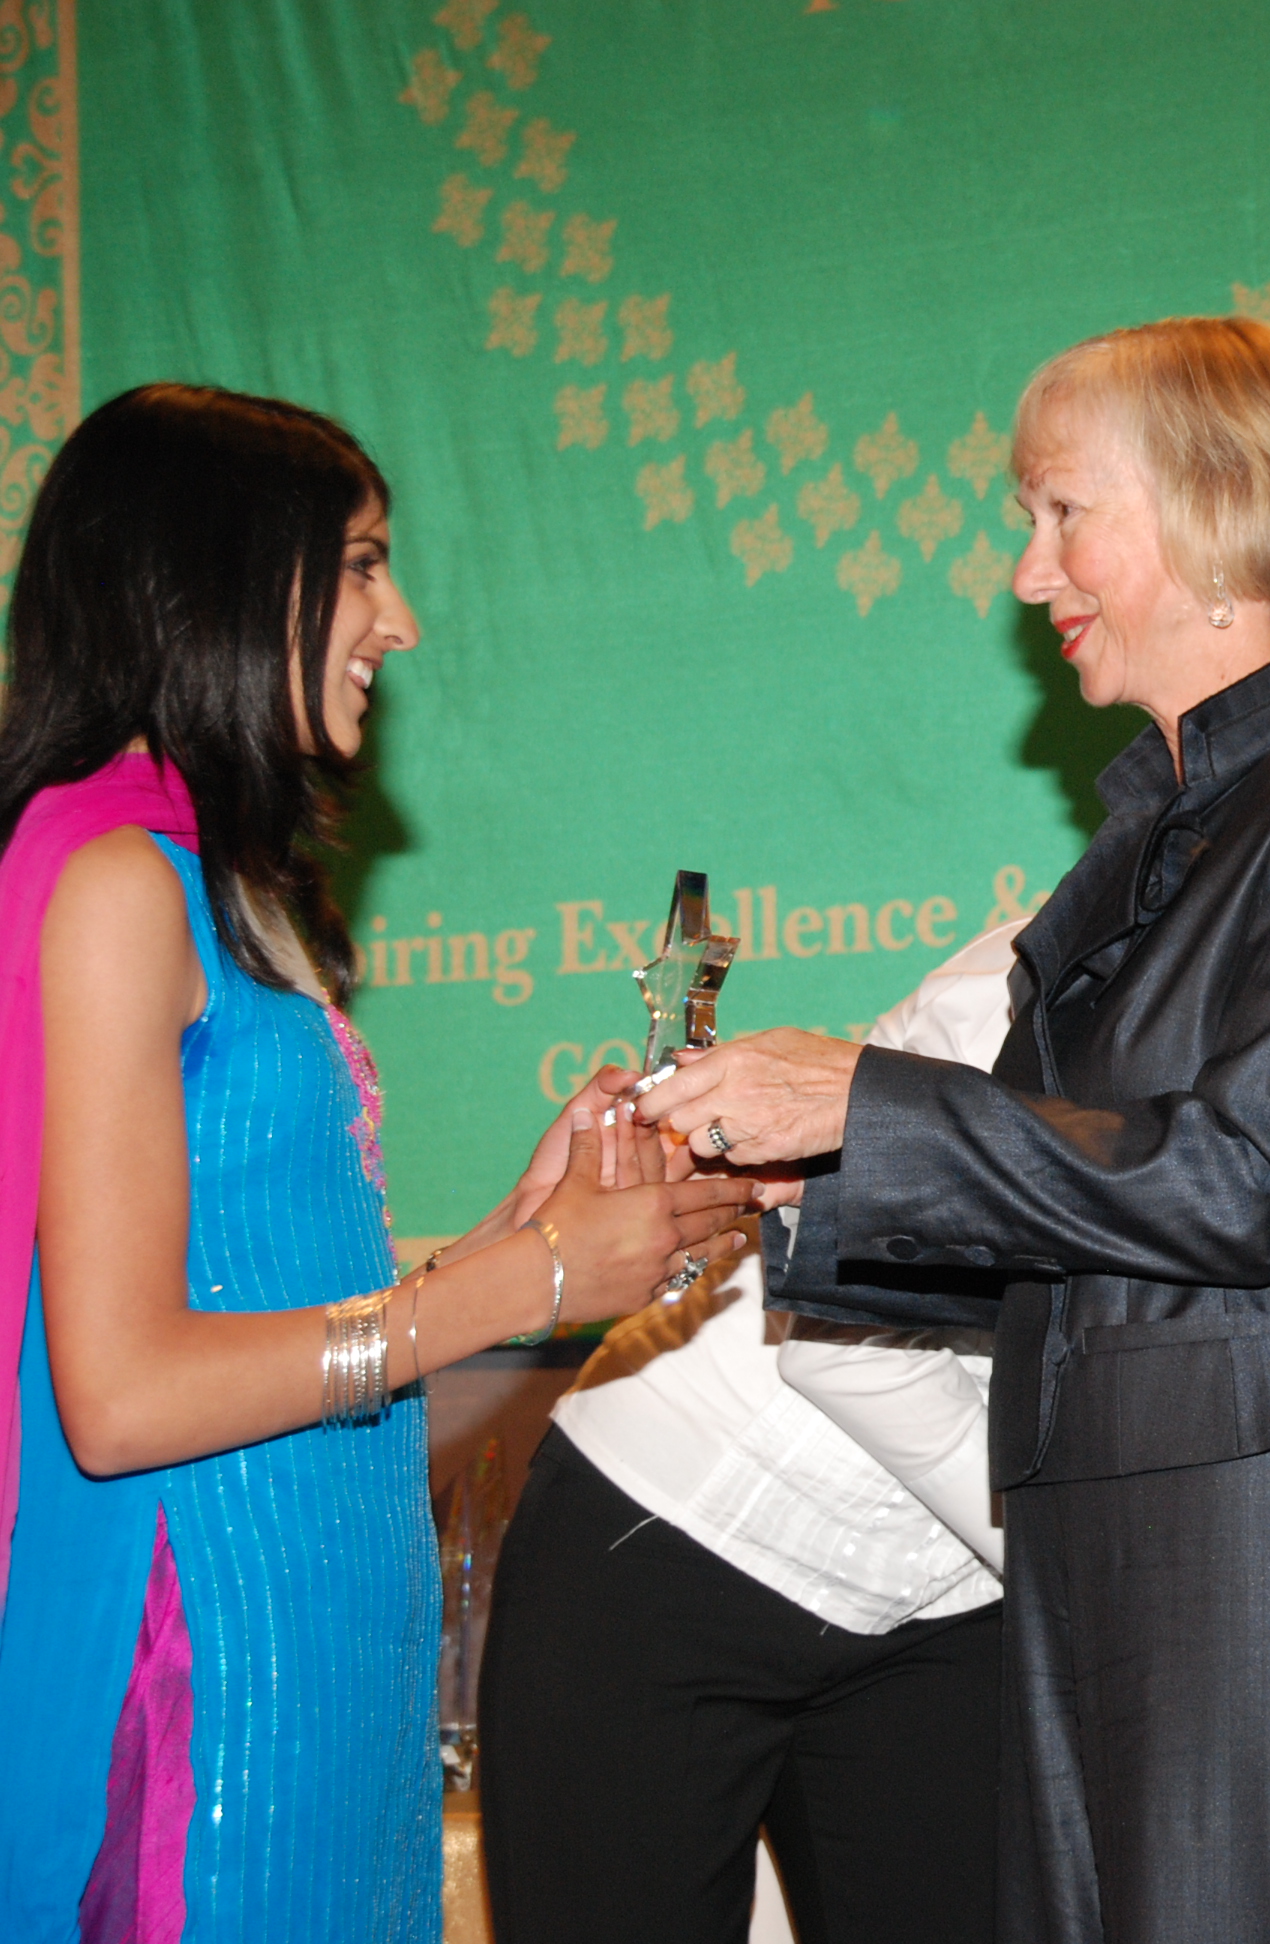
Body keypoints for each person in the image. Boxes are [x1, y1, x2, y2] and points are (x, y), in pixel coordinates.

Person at [622, 314, 1270, 1944]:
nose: (1032, 574)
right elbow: (1072, 1244)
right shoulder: (1152, 835)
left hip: (1257, 1547)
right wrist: (798, 1196)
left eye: (1060, 513)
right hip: (1084, 1543)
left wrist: (865, 1098)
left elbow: (1247, 1184)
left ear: (1217, 502)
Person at [0, 383, 748, 1940]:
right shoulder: (111, 885)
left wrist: (529, 1263)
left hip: (329, 1707)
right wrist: (518, 1277)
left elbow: (324, 1420)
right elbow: (125, 1399)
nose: (396, 621)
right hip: (210, 1731)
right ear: (214, 575)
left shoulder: (223, 896)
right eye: (360, 563)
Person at [476, 919, 1019, 1944]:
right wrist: (1097, 1563)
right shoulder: (1043, 974)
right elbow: (840, 1337)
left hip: (952, 1586)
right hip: (673, 1533)